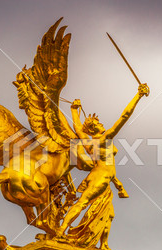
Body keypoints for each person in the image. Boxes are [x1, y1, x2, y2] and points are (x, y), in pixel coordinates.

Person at [56, 83, 149, 238]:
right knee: (82, 203)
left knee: (83, 203)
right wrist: (138, 96)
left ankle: (62, 229)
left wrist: (73, 110)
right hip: (101, 178)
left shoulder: (89, 142)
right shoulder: (104, 139)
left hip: (97, 175)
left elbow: (78, 128)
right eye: (99, 123)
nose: (102, 124)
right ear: (94, 129)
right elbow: (124, 116)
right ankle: (61, 230)